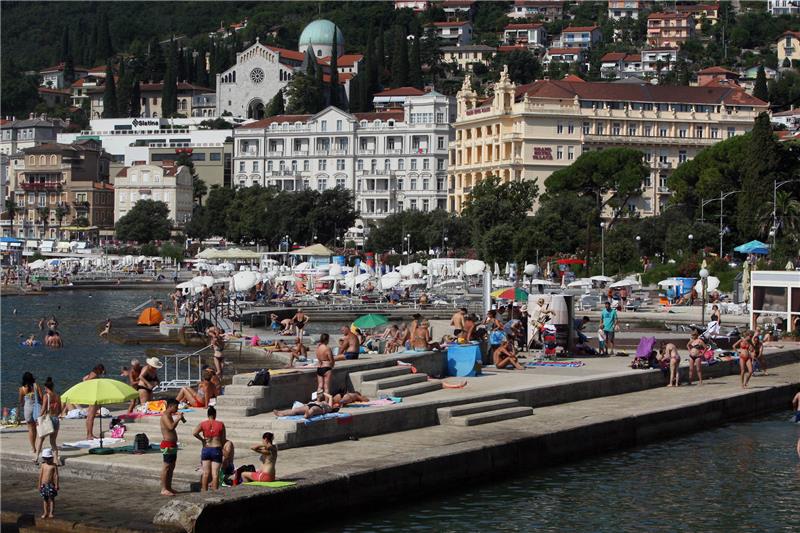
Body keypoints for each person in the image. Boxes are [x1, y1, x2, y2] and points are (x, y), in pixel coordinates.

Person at [193, 406, 226, 491]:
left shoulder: (203, 424)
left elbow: (194, 433)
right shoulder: (220, 424)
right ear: (215, 414)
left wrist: (202, 440)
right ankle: (215, 492)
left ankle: (204, 491)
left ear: (208, 415)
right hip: (216, 449)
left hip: (206, 449)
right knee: (215, 474)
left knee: (206, 473)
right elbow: (223, 439)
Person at [160, 398, 184, 496]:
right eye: (175, 407)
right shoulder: (165, 415)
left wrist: (177, 418)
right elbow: (170, 427)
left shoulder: (169, 415)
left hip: (173, 444)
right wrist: (178, 419)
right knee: (166, 467)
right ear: (170, 406)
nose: (177, 409)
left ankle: (169, 487)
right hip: (167, 444)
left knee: (172, 467)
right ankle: (163, 488)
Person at [36, 378, 62, 465]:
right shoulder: (57, 396)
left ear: (46, 387)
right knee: (53, 442)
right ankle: (56, 460)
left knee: (41, 438)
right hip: (56, 419)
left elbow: (43, 409)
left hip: (48, 419)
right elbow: (60, 410)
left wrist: (38, 418)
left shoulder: (46, 396)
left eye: (44, 388)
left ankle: (36, 457)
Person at [17, 372, 43, 456]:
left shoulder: (22, 389)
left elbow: (21, 402)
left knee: (31, 429)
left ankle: (33, 448)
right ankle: (39, 447)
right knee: (38, 428)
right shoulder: (36, 386)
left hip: (27, 409)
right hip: (37, 409)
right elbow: (41, 398)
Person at [82, 364, 105, 440]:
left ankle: (89, 434)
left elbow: (84, 379)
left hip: (91, 395)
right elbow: (87, 381)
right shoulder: (94, 374)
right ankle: (89, 435)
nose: (102, 373)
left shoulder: (92, 374)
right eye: (102, 371)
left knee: (90, 416)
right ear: (99, 370)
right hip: (92, 396)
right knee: (91, 416)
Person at [37, 448, 59, 519]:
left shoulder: (54, 466)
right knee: (45, 499)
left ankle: (51, 513)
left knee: (52, 499)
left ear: (52, 458)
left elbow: (56, 475)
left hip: (51, 485)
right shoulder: (43, 465)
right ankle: (45, 512)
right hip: (43, 485)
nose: (47, 460)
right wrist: (39, 484)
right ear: (43, 458)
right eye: (45, 459)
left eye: (49, 458)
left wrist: (56, 484)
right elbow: (40, 475)